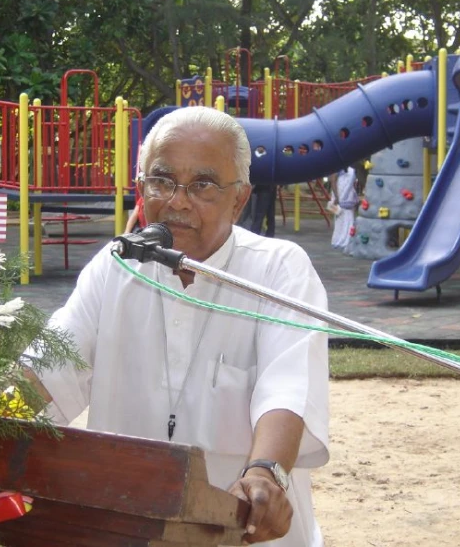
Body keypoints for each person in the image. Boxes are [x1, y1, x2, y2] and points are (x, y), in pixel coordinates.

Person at [29, 106, 329, 546]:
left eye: (202, 185)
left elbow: (287, 388)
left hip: (246, 530)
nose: (178, 201)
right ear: (140, 188)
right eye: (162, 181)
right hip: (130, 527)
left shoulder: (280, 270)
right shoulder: (116, 267)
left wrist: (266, 471)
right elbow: (50, 367)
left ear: (239, 198)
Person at [329, 166, 359, 251]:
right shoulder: (337, 166)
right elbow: (333, 181)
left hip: (349, 197)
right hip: (340, 197)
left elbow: (353, 185)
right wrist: (337, 196)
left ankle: (348, 239)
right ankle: (339, 240)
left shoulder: (351, 170)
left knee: (350, 219)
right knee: (340, 219)